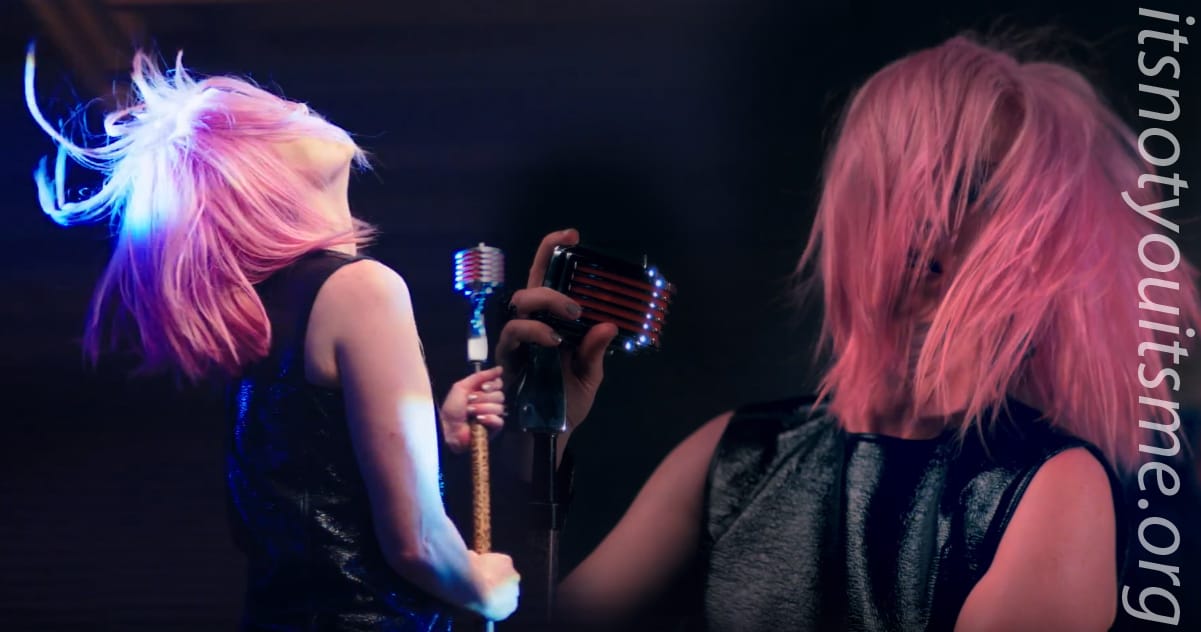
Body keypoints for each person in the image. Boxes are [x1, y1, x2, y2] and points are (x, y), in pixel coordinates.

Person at [454, 36, 1201, 630]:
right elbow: (531, 619)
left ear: (1036, 233)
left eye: (974, 187)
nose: (930, 218)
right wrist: (537, 440)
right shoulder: (736, 454)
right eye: (903, 181)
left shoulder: (1050, 484)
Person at [25, 48, 519, 630]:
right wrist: (484, 587)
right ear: (251, 171)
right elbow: (418, 545)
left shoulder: (274, 309)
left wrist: (426, 435)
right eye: (276, 120)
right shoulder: (363, 288)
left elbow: (313, 470)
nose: (300, 105)